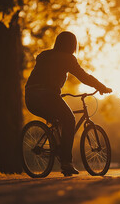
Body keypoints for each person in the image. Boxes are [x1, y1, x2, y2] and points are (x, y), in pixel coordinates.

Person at [25, 31, 112, 175]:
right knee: (70, 119)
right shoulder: (68, 58)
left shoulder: (44, 56)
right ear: (72, 45)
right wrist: (101, 87)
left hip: (30, 98)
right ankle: (66, 161)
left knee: (58, 119)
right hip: (47, 95)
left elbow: (45, 75)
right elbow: (84, 76)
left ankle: (57, 147)